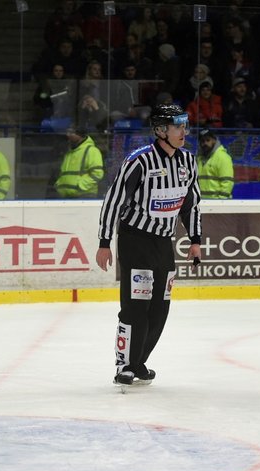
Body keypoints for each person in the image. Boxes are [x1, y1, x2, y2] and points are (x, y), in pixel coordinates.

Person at [96, 103, 201, 387]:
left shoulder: (187, 162)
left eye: (184, 125)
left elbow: (191, 203)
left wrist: (195, 239)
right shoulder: (139, 161)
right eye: (178, 126)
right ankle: (125, 365)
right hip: (135, 241)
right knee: (135, 306)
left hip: (163, 244)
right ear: (160, 130)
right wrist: (104, 242)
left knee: (160, 308)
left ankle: (139, 361)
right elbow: (113, 201)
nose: (184, 131)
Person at [54, 125, 104, 197]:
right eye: (67, 132)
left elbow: (97, 174)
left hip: (84, 196)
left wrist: (79, 186)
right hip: (67, 196)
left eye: (71, 132)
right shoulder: (70, 152)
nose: (68, 135)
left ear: (80, 135)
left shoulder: (91, 151)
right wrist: (60, 185)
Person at [196, 128, 233, 199]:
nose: (205, 143)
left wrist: (221, 201)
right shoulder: (199, 158)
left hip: (218, 203)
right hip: (202, 201)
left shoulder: (223, 157)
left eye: (208, 140)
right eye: (202, 141)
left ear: (214, 140)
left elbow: (227, 182)